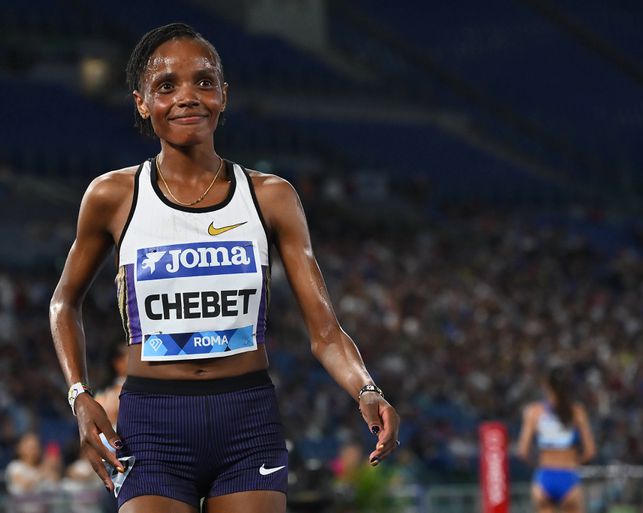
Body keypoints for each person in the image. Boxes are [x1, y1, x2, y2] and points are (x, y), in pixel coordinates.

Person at [49, 22, 400, 513]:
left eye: (204, 81)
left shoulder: (271, 197)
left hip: (246, 423)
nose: (187, 97)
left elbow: (325, 332)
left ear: (224, 95)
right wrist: (80, 396)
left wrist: (366, 388)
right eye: (166, 86)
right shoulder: (113, 196)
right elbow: (64, 303)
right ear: (142, 103)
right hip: (151, 425)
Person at [517, 366, 596, 513]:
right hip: (568, 475)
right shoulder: (577, 412)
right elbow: (590, 451)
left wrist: (538, 464)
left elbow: (522, 451)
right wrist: (575, 462)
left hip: (545, 475)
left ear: (546, 385)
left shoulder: (534, 412)